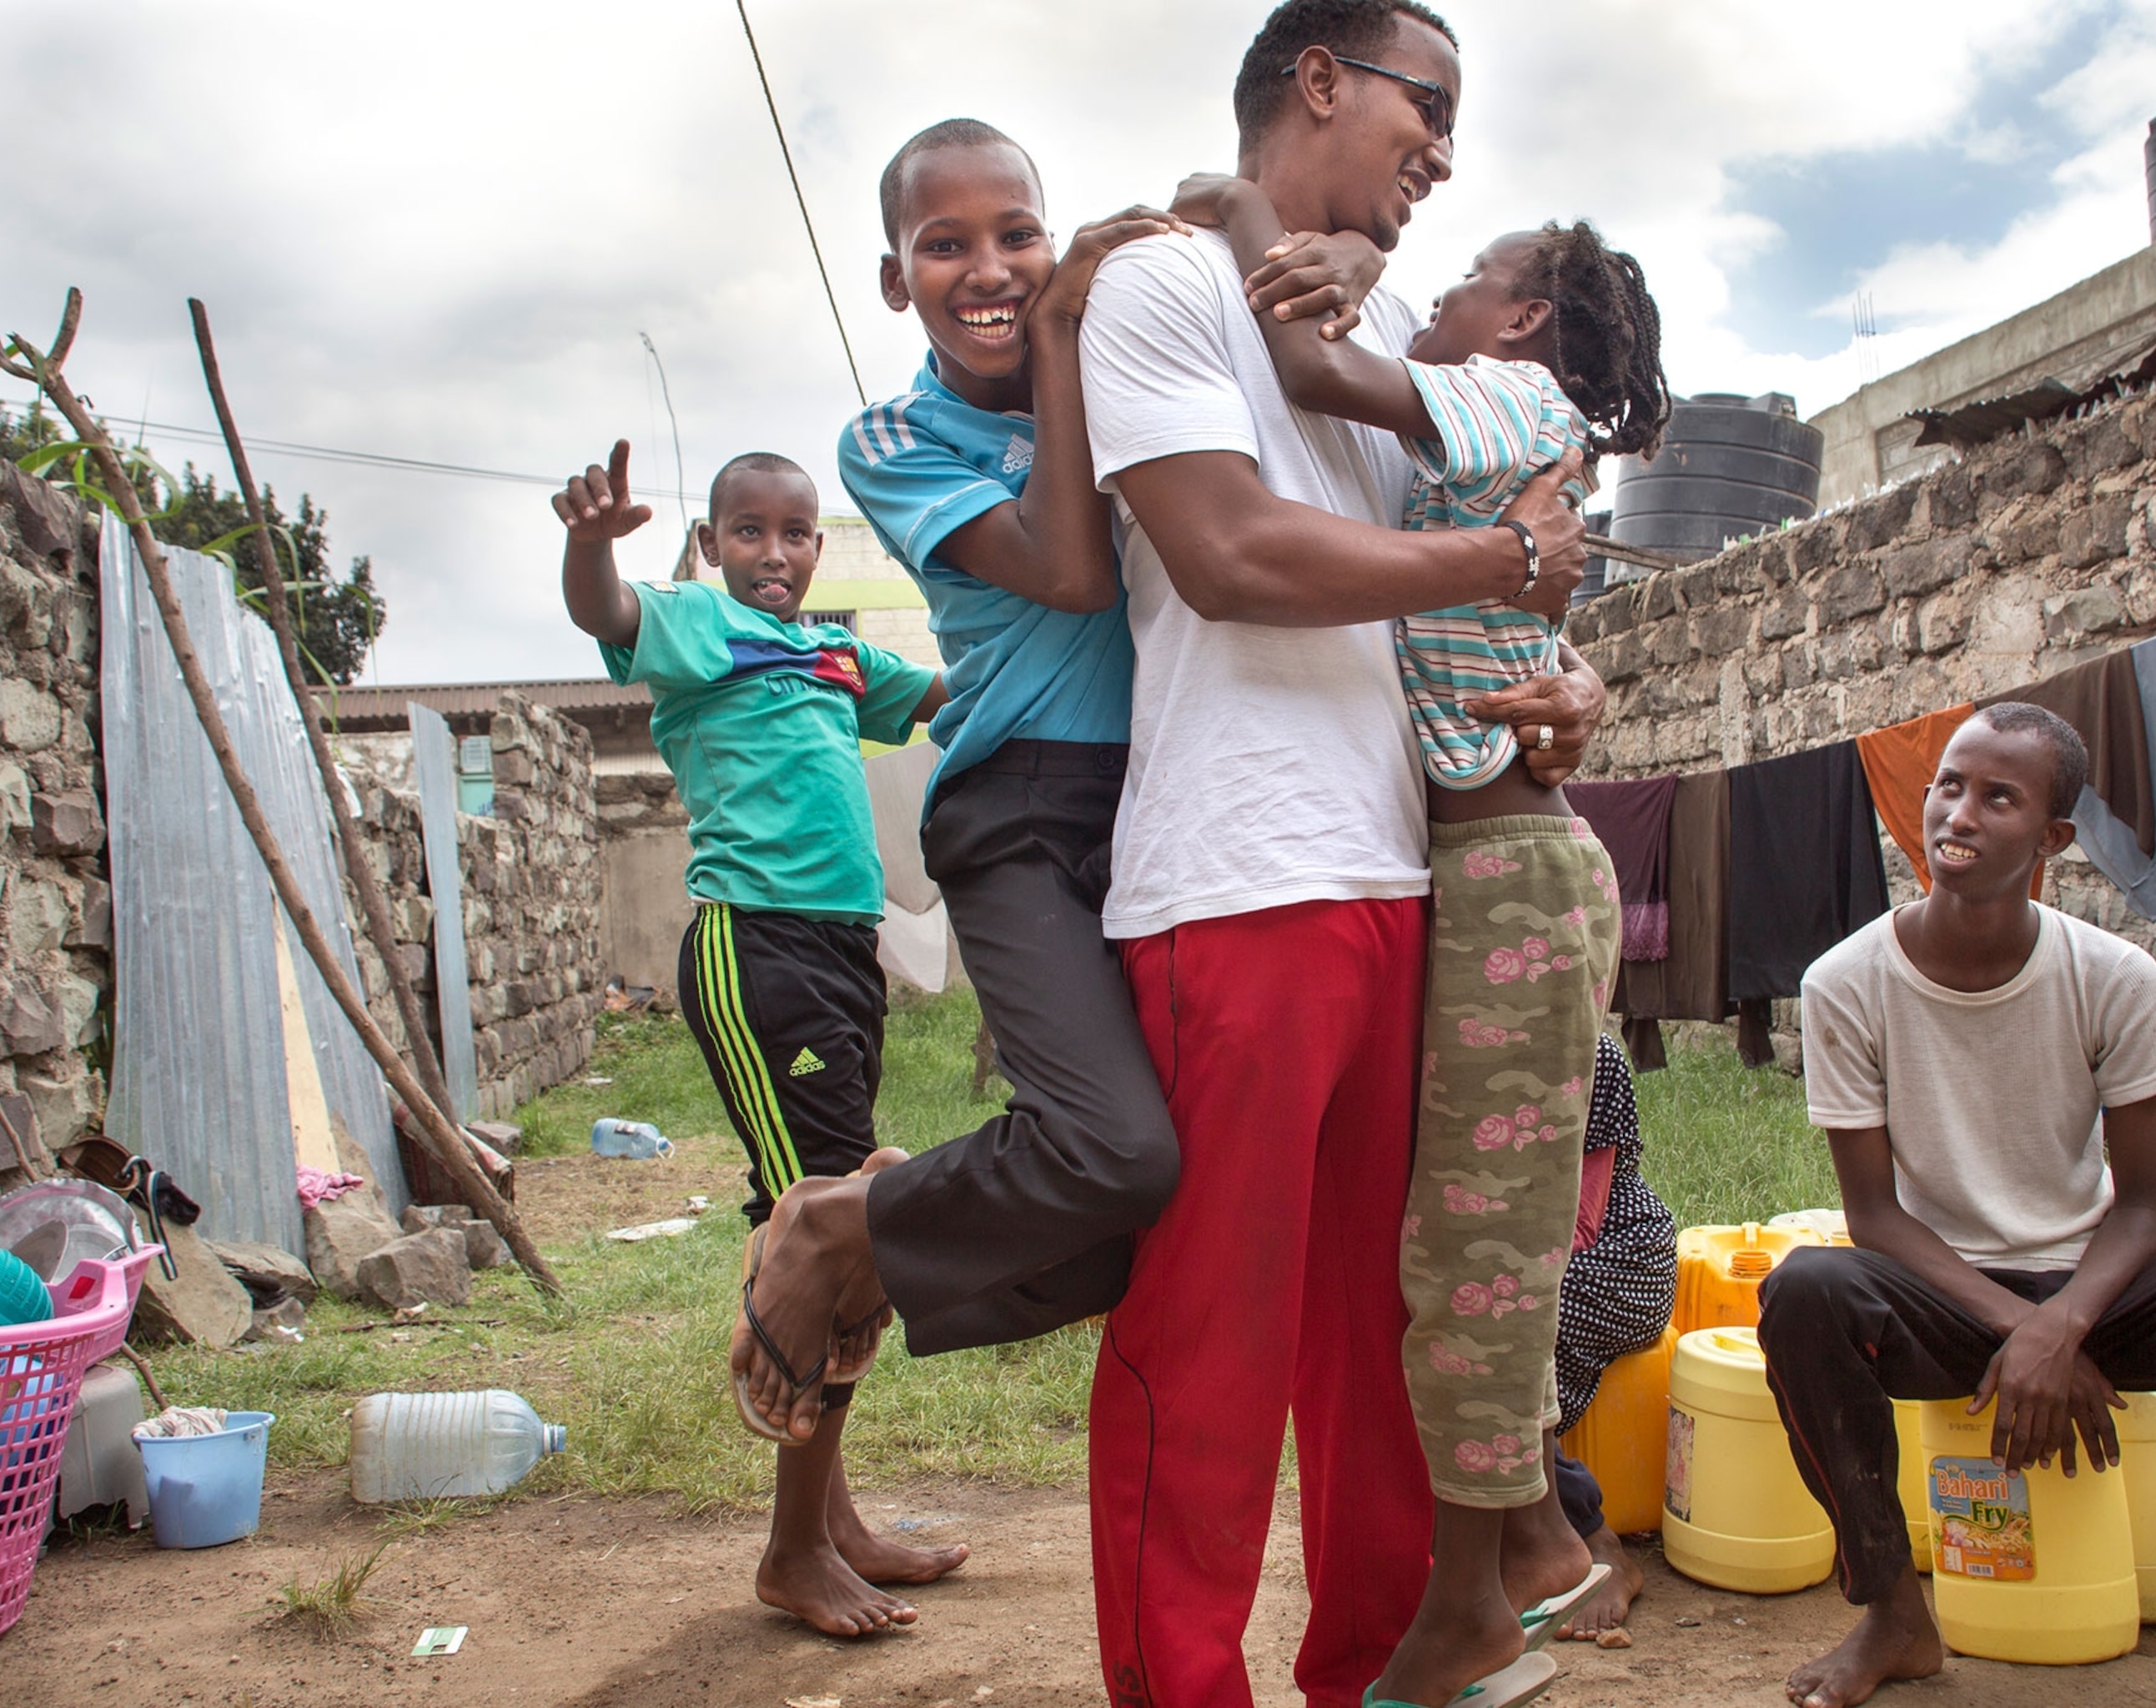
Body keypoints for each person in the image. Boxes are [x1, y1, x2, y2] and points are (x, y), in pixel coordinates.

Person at [1072, 3, 1612, 1702]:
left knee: (1384, 1338)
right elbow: (1230, 553)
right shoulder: (1162, 283)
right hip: (1237, 875)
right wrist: (1503, 565)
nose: (1442, 150)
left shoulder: (1386, 336)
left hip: (1409, 880)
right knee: (1207, 1350)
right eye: (1424, 104)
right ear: (1317, 80)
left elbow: (1499, 582)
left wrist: (1564, 674)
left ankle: (1385, 1661)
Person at [1171, 170, 1672, 1705]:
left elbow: (1314, 369)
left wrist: (1238, 214)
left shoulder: (1509, 397)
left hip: (1512, 872)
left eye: (1466, 281)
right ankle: (1528, 1541)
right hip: (1482, 866)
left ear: (1521, 319)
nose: (1438, 297)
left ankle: (1472, 1601)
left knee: (1481, 1253)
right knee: (1450, 1240)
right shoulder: (1498, 428)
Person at [1759, 702, 2156, 1708]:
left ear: (2050, 838)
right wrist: (2025, 1327)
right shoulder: (1845, 981)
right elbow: (1875, 1215)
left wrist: (2066, 1320)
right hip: (1946, 1297)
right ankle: (1895, 1615)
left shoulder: (2113, 974)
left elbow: (2144, 1209)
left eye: (1998, 797)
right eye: (1949, 785)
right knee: (1806, 1291)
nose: (1959, 812)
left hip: (2103, 1288)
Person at [736, 121, 1204, 1441]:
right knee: (1122, 1154)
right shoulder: (893, 436)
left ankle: (874, 1230)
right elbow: (1072, 571)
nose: (988, 268)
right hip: (1019, 815)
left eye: (1018, 235)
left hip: (1164, 803)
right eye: (945, 244)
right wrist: (1056, 331)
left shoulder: (1119, 373)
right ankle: (835, 1225)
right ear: (897, 279)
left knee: (1131, 1224)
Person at [551, 443, 957, 1639]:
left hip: (840, 947)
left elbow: (949, 693)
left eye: (794, 533)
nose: (773, 554)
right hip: (756, 945)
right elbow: (605, 611)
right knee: (830, 1231)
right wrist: (590, 544)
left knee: (827, 1218)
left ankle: (834, 1525)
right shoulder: (694, 624)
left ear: (818, 547)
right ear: (710, 544)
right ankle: (793, 1550)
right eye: (748, 532)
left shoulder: (838, 656)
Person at [1547, 1029, 1675, 1642]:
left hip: (1615, 1258)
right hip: (1526, 1257)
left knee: (1503, 1342)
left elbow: (1581, 1223)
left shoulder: (1591, 1051)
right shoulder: (1453, 1038)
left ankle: (1597, 1542)